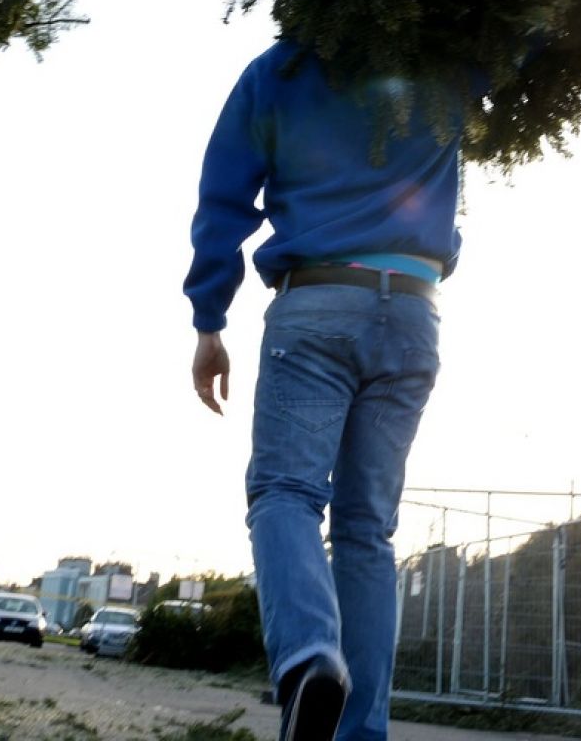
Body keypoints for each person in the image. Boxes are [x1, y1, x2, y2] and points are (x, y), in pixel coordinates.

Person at [185, 37, 466, 741]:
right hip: (414, 308)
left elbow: (223, 193)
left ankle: (310, 658)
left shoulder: (277, 73)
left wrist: (209, 317)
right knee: (367, 530)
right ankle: (360, 732)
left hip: (317, 303)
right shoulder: (448, 59)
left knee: (285, 493)